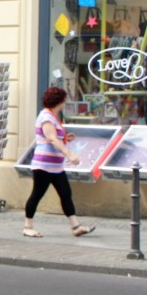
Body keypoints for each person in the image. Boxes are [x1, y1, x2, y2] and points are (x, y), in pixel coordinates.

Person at [23, 87, 95, 239]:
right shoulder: (46, 117)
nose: (64, 103)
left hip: (55, 166)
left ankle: (76, 226)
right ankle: (27, 227)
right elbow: (52, 139)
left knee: (65, 194)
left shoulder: (52, 116)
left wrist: (66, 138)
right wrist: (70, 155)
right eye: (63, 100)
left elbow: (54, 137)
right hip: (44, 165)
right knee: (37, 194)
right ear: (59, 101)